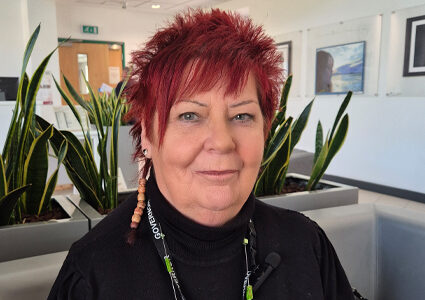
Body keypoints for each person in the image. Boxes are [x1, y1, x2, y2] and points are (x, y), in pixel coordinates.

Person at [48, 9, 355, 300]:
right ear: (147, 136)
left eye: (241, 116)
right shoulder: (92, 273)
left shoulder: (306, 244)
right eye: (190, 116)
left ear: (265, 132)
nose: (221, 142)